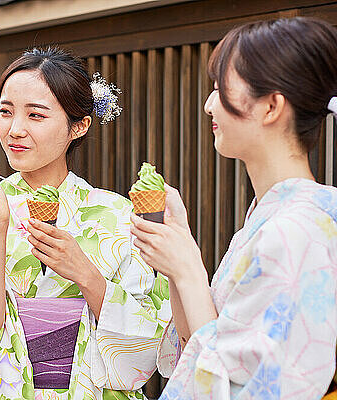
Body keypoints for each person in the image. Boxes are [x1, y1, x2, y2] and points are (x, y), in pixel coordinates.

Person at [0, 47, 171, 400]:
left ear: (79, 125)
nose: (15, 130)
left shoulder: (118, 215)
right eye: (5, 112)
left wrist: (86, 275)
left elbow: (149, 341)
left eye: (36, 116)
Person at [130, 17, 337, 399]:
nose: (209, 105)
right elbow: (200, 342)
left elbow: (244, 386)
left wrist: (190, 269)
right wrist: (178, 258)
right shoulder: (273, 216)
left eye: (219, 89)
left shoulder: (296, 229)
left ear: (272, 106)